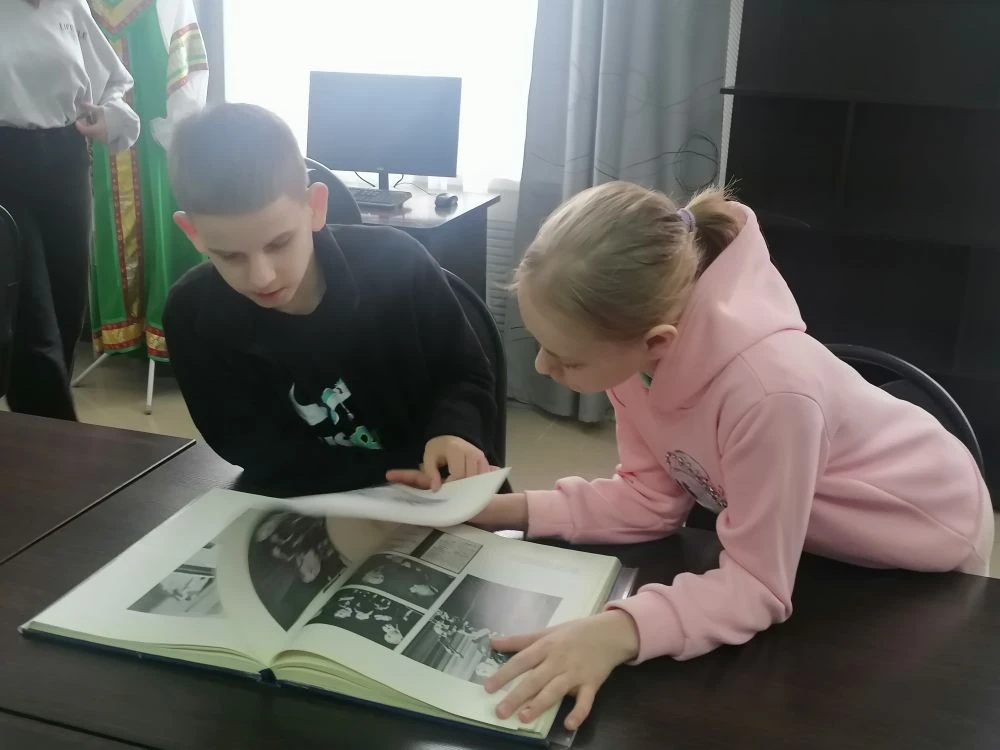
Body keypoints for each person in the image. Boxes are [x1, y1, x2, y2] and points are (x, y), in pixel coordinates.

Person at [465, 181, 995, 730]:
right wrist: (497, 509)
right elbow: (649, 500)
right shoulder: (636, 358)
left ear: (657, 341)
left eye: (568, 359)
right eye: (541, 345)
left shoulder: (769, 394)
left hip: (926, 536)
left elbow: (757, 586)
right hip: (821, 535)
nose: (543, 368)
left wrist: (618, 631)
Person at [162, 103, 497, 496]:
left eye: (279, 243)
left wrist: (455, 431)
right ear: (193, 233)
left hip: (438, 490)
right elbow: (250, 449)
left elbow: (465, 372)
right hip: (308, 499)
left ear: (315, 207)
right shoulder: (191, 316)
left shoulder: (398, 264)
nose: (262, 277)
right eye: (230, 256)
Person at [0, 0, 140, 420]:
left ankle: (36, 431)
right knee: (32, 317)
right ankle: (56, 435)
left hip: (65, 159)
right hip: (4, 163)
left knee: (66, 303)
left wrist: (111, 115)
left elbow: (112, 80)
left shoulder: (69, 5)